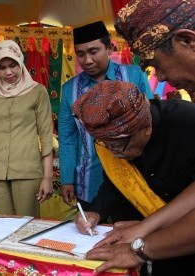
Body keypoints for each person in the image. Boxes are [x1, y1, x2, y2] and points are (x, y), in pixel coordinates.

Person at [70, 0, 195, 274]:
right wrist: (145, 228)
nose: (161, 77)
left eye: (157, 64)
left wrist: (140, 246)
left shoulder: (185, 121)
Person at [72, 80, 195, 275]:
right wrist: (96, 211)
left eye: (118, 145)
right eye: (105, 144)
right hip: (144, 243)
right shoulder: (112, 144)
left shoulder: (186, 122)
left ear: (146, 127)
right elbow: (116, 181)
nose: (113, 152)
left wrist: (147, 231)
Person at [58, 21, 154, 210]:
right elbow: (68, 139)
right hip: (89, 181)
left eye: (93, 51)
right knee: (90, 236)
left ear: (109, 48)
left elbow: (151, 121)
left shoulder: (134, 76)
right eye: (80, 54)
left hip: (135, 178)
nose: (87, 60)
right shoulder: (70, 90)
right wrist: (67, 179)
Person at [0, 40, 54, 217]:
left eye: (13, 65)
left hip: (27, 170)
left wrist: (48, 177)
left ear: (20, 62)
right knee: (3, 229)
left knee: (27, 228)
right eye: (2, 68)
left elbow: (46, 136)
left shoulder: (37, 92)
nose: (8, 72)